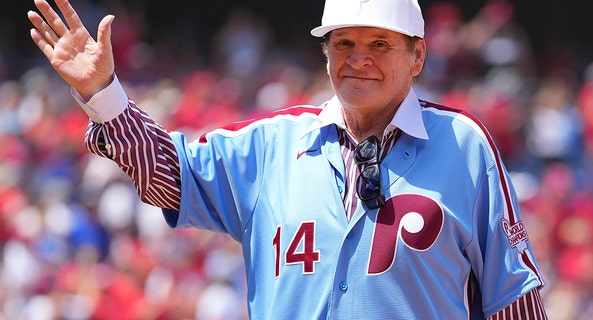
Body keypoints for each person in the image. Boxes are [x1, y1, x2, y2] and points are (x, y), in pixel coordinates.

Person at [27, 0, 548, 318]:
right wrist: (104, 94)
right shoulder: (273, 144)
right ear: (325, 53)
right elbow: (173, 174)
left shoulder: (465, 144)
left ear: (418, 56)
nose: (358, 58)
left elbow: (514, 298)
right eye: (343, 42)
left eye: (380, 44)